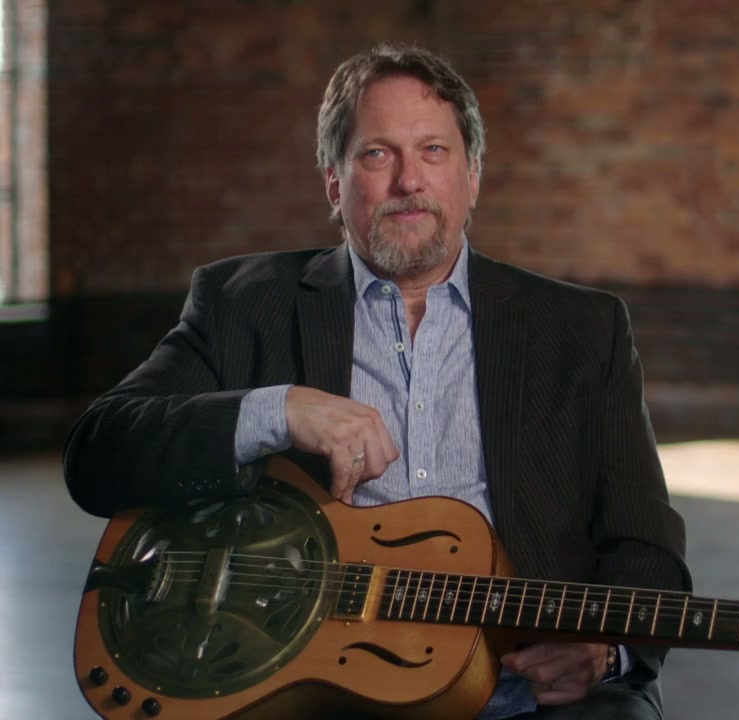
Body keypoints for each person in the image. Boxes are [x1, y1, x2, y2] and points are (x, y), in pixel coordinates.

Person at [63, 43, 690, 720]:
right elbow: (98, 454)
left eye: (433, 151)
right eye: (377, 154)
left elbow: (646, 544)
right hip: (308, 688)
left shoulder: (584, 329)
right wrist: (278, 410)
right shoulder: (242, 304)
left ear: (473, 176)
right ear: (335, 185)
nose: (408, 181)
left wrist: (605, 651)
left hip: (523, 694)